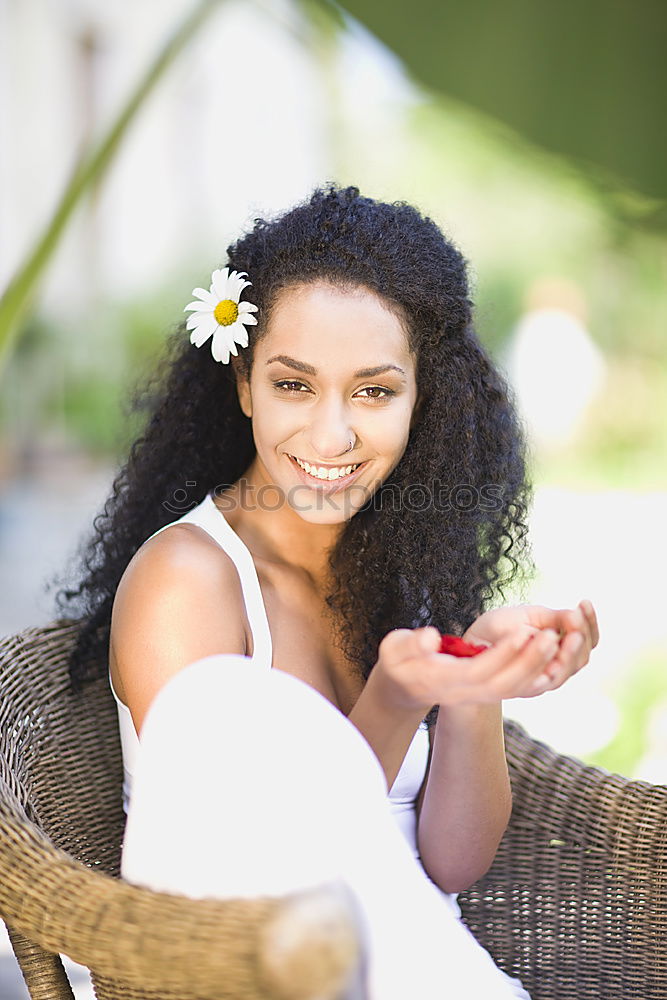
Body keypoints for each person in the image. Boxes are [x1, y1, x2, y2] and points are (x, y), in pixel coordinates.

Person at [57, 183, 599, 999]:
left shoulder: (397, 561)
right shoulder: (190, 584)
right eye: (293, 385)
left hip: (412, 954)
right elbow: (263, 876)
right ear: (243, 384)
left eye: (374, 391)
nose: (331, 435)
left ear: (424, 398)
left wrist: (475, 679)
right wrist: (398, 693)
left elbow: (452, 863)